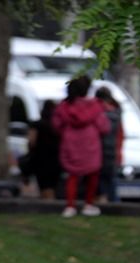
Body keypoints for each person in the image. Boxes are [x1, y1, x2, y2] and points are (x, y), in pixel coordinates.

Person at [52, 75, 108, 218]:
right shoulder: (95, 107)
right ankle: (88, 204)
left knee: (72, 175)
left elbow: (57, 125)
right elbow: (104, 127)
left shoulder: (64, 107)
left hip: (70, 142)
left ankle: (70, 205)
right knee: (92, 174)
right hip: (91, 143)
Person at [25, 99, 62, 200]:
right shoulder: (58, 125)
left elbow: (31, 141)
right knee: (52, 186)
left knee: (44, 186)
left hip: (40, 158)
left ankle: (48, 205)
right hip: (56, 158)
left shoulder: (37, 124)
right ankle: (51, 202)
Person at [94, 87, 123, 203]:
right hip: (112, 153)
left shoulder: (96, 112)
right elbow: (120, 135)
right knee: (112, 182)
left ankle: (103, 203)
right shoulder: (116, 112)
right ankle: (115, 204)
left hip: (98, 152)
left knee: (99, 183)